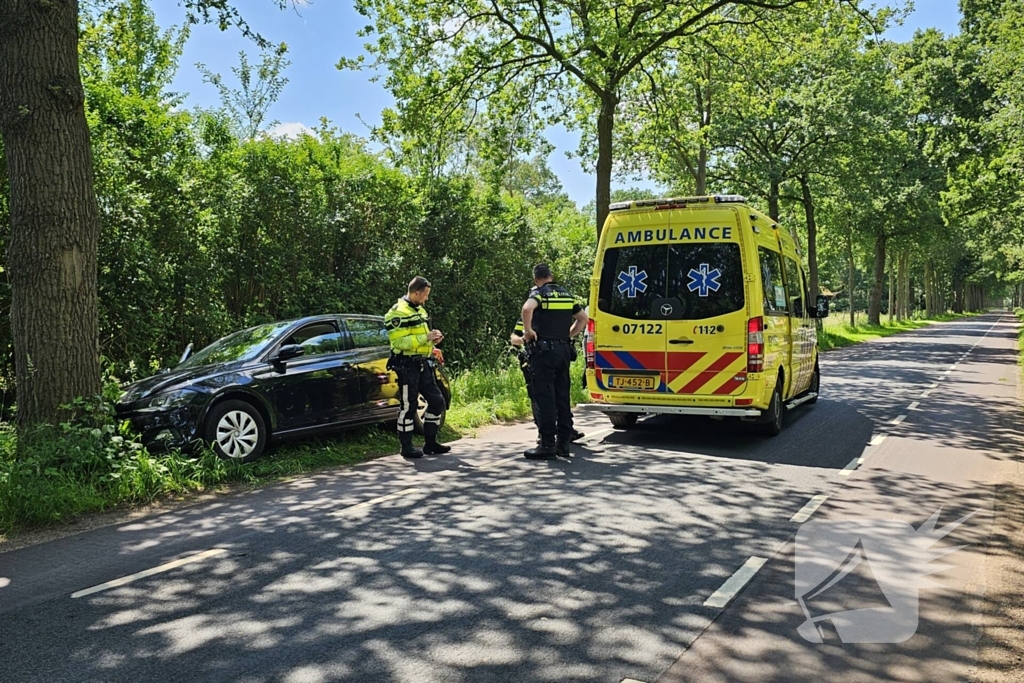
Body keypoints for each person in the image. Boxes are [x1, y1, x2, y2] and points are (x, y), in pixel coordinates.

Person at [521, 264, 588, 459]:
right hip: (563, 351)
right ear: (551, 276)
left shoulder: (540, 294)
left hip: (543, 354)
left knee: (545, 399)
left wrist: (528, 331)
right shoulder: (567, 295)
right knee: (562, 397)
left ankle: (547, 445)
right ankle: (564, 444)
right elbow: (583, 319)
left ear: (536, 279)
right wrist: (567, 335)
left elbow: (527, 309)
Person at [385, 276, 450, 459]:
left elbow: (421, 336)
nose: (427, 299)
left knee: (438, 402)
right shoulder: (397, 313)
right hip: (407, 365)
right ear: (416, 292)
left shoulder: (419, 309)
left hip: (423, 363)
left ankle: (430, 443)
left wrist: (433, 342)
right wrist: (426, 338)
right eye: (425, 295)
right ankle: (406, 447)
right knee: (408, 406)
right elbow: (399, 342)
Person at [510, 286, 585, 443]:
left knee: (559, 395)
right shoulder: (527, 318)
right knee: (540, 397)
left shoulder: (552, 316)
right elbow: (513, 338)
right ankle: (544, 432)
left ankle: (565, 431)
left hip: (550, 356)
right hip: (534, 358)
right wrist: (526, 337)